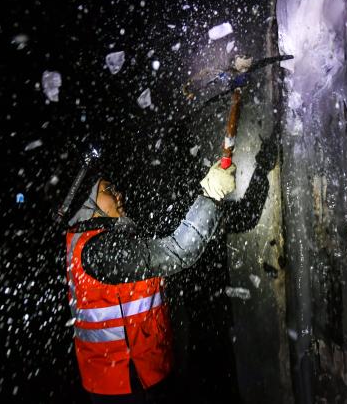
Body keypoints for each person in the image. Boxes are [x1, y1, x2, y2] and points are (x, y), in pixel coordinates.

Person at [64, 160, 237, 403]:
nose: (119, 194)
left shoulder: (104, 239)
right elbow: (179, 251)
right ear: (87, 203)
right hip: (124, 382)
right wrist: (211, 196)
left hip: (137, 373)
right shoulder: (99, 250)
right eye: (108, 190)